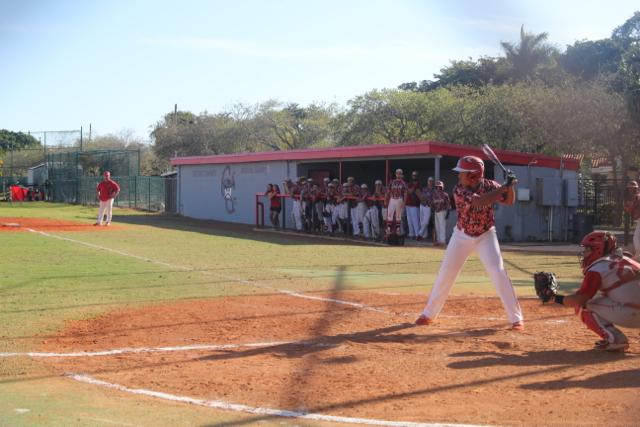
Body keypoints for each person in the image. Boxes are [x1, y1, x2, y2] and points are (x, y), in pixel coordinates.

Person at [415, 155, 524, 330]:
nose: (459, 176)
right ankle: (429, 313)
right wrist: (504, 187)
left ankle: (516, 319)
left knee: (498, 272)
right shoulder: (459, 190)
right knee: (446, 271)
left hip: (486, 235)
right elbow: (480, 201)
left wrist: (510, 186)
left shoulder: (490, 186)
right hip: (461, 235)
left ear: (473, 175)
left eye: (462, 173)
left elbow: (509, 201)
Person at [539, 232, 640, 352]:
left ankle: (615, 339)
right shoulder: (626, 258)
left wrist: (554, 297)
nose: (584, 253)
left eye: (587, 249)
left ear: (597, 250)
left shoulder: (598, 268)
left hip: (634, 313)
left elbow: (580, 299)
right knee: (612, 292)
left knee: (583, 305)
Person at [385, 169, 408, 238]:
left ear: (402, 175)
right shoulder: (392, 182)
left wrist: (404, 202)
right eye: (397, 173)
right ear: (396, 174)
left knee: (398, 215)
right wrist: (386, 200)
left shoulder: (403, 183)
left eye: (400, 173)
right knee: (390, 214)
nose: (398, 175)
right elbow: (388, 191)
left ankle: (398, 229)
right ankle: (388, 229)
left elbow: (405, 193)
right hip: (392, 198)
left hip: (399, 199)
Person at [431, 180, 451, 246]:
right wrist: (432, 210)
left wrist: (448, 213)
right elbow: (432, 204)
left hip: (443, 211)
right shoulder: (434, 195)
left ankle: (442, 241)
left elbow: (448, 205)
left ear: (442, 187)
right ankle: (439, 241)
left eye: (439, 186)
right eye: (437, 186)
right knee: (437, 226)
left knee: (442, 226)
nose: (438, 188)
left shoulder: (445, 195)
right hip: (436, 212)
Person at [623, 180, 640, 260]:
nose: (630, 190)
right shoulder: (636, 196)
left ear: (635, 189)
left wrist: (629, 207)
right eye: (629, 188)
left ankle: (637, 255)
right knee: (636, 236)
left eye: (631, 188)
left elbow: (634, 209)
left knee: (636, 237)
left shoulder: (637, 197)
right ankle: (637, 254)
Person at [405, 171, 422, 240]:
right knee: (409, 220)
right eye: (413, 175)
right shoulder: (410, 183)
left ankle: (417, 235)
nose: (414, 176)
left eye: (415, 175)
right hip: (408, 204)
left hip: (414, 204)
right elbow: (406, 190)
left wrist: (409, 190)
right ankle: (411, 234)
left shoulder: (417, 183)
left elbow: (410, 191)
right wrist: (408, 189)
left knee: (415, 220)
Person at [418, 177, 435, 241]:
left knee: (426, 222)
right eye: (429, 181)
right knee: (422, 222)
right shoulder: (424, 189)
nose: (430, 182)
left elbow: (432, 199)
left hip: (428, 206)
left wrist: (426, 198)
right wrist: (425, 198)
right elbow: (422, 197)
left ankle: (419, 234)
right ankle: (424, 236)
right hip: (422, 205)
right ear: (427, 181)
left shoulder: (434, 190)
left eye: (431, 181)